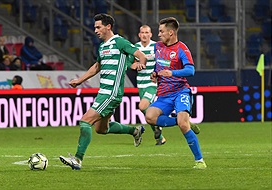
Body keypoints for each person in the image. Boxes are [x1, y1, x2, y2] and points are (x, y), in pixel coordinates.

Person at [59, 13, 147, 170]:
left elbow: (140, 55)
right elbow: (97, 66)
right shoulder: (103, 46)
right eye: (94, 27)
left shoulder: (119, 42)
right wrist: (80, 80)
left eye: (98, 27)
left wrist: (141, 64)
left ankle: (78, 159)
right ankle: (135, 130)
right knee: (101, 129)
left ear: (108, 27)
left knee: (85, 121)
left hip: (112, 92)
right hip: (104, 91)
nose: (95, 30)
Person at [145, 17, 207, 169]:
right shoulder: (158, 47)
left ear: (171, 32)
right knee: (150, 117)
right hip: (164, 94)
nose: (158, 35)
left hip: (180, 92)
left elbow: (190, 70)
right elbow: (157, 65)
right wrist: (154, 74)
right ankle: (185, 122)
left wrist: (172, 73)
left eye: (161, 31)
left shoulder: (182, 49)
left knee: (182, 125)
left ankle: (200, 161)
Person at [128, 25, 166, 145]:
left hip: (152, 83)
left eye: (147, 32)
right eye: (142, 32)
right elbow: (130, 63)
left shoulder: (156, 46)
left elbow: (162, 62)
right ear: (139, 35)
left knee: (142, 106)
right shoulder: (135, 47)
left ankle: (157, 126)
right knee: (147, 111)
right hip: (140, 83)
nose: (144, 35)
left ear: (150, 34)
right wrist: (134, 65)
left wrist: (158, 74)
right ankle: (159, 135)